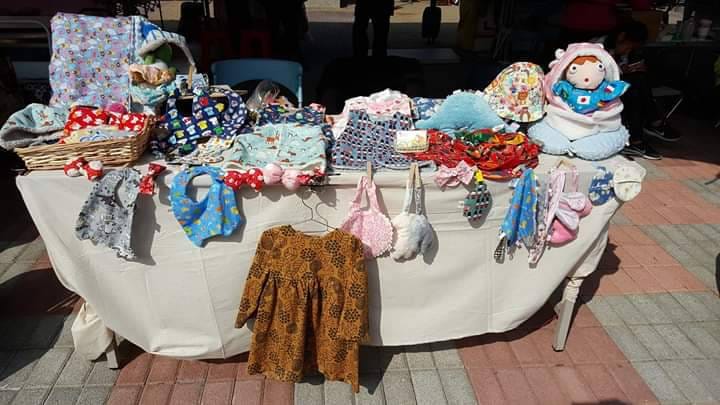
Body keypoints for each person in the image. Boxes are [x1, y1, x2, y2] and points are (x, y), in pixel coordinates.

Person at [599, 20, 679, 160]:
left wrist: (629, 68)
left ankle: (639, 137)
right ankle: (651, 124)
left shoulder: (622, 49)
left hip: (617, 87)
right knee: (635, 87)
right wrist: (621, 70)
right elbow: (595, 75)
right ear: (621, 37)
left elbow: (621, 68)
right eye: (629, 46)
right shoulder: (598, 47)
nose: (628, 51)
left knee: (638, 82)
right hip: (599, 90)